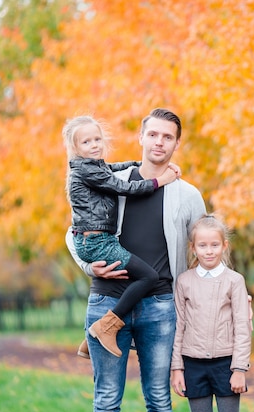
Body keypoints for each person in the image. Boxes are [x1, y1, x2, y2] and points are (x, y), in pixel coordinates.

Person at [66, 108, 207, 412]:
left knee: (159, 400)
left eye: (168, 137)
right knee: (106, 401)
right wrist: (89, 266)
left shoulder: (188, 195)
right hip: (107, 299)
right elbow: (73, 230)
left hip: (159, 306)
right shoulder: (110, 180)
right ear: (140, 137)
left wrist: (226, 288)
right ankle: (101, 331)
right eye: (153, 134)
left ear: (176, 144)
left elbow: (205, 250)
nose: (159, 142)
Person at [63, 115, 180, 358]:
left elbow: (114, 168)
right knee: (149, 276)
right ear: (75, 148)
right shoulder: (87, 171)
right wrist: (161, 179)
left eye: (97, 139)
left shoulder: (93, 167)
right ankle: (106, 327)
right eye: (86, 142)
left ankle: (90, 338)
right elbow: (125, 188)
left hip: (96, 240)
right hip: (97, 243)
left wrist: (140, 163)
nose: (94, 145)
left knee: (130, 278)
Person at [170, 214, 251, 412]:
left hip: (226, 364)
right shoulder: (184, 281)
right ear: (193, 248)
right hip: (193, 364)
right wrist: (177, 368)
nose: (208, 251)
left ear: (224, 246)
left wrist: (239, 369)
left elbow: (242, 327)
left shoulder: (235, 281)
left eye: (214, 245)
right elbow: (179, 326)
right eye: (202, 245)